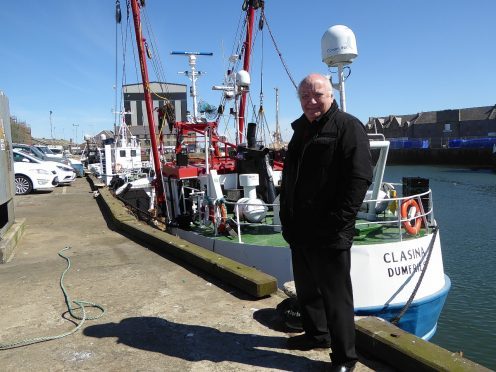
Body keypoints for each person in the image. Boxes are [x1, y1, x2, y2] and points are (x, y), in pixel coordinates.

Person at [279, 73, 373, 371]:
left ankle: (345, 357)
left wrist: (339, 221)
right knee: (307, 289)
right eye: (305, 96)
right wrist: (286, 216)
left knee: (336, 296)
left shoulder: (347, 126)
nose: (311, 101)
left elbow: (359, 178)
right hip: (300, 228)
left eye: (317, 94)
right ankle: (316, 334)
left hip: (330, 230)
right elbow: (290, 177)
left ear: (330, 94)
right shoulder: (301, 130)